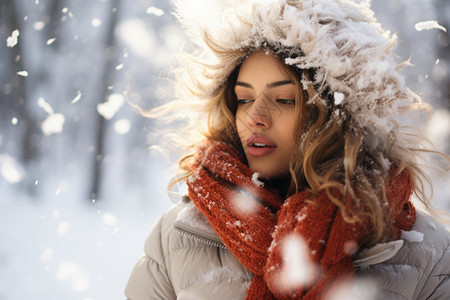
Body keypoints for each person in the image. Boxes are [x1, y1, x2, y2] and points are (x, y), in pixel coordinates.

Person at [125, 0, 450, 299]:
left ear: (336, 118)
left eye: (283, 100)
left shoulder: (426, 253)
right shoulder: (177, 238)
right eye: (244, 98)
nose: (255, 117)